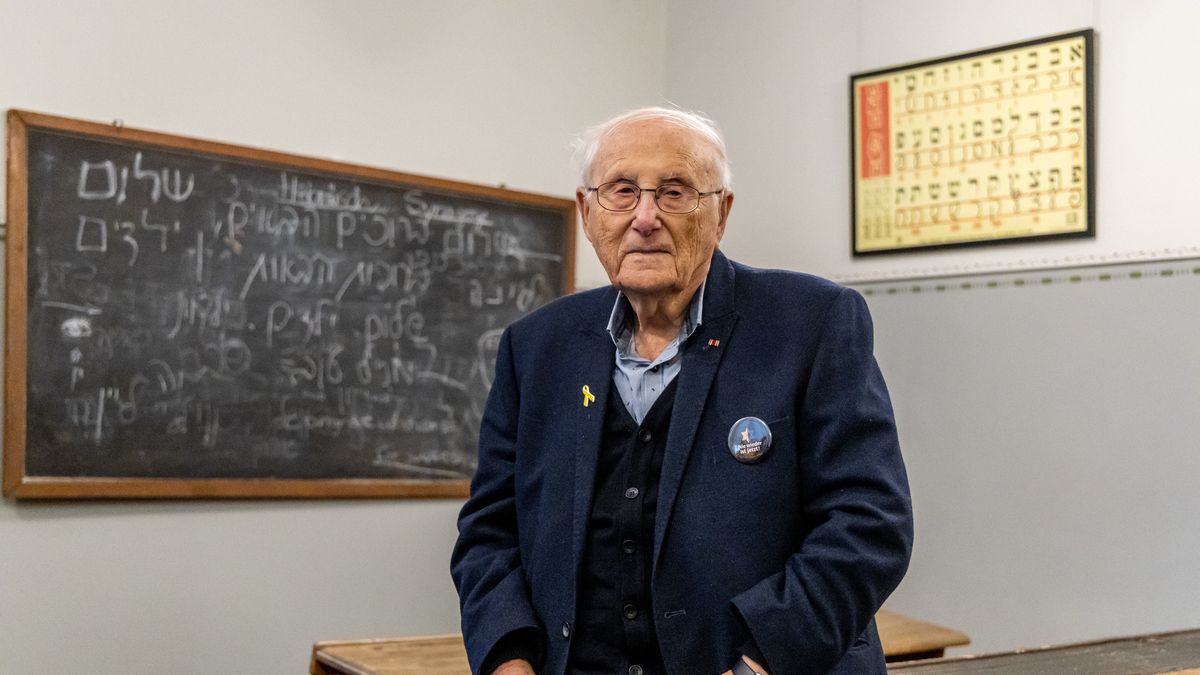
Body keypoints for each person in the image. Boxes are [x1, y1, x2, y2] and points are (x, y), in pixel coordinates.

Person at [451, 107, 913, 675]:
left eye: (674, 192)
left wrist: (757, 665)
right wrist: (508, 659)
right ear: (588, 211)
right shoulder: (536, 347)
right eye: (622, 191)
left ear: (721, 214)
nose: (645, 217)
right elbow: (489, 532)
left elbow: (869, 524)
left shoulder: (813, 324)